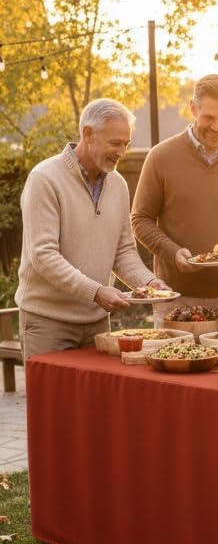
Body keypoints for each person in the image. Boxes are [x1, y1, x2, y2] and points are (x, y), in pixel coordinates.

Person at [16, 98, 168, 359]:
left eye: (126, 144)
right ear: (88, 134)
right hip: (48, 323)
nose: (121, 152)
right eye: (115, 143)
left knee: (95, 401)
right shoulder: (44, 179)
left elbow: (123, 251)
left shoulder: (118, 185)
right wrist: (96, 292)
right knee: (52, 401)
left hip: (97, 322)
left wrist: (149, 283)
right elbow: (43, 256)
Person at [131, 74, 218, 328]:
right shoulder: (160, 157)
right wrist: (172, 253)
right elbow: (140, 219)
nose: (216, 126)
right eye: (209, 118)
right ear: (193, 109)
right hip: (173, 297)